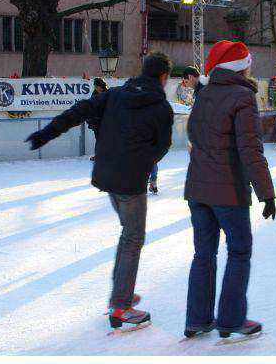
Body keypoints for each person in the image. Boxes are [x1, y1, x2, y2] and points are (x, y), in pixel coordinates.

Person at [25, 52, 174, 331]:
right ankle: (121, 305)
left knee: (128, 235)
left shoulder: (116, 94)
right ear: (164, 77)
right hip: (131, 183)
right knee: (133, 238)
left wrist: (46, 133)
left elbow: (78, 111)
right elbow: (162, 146)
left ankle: (122, 292)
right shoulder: (162, 107)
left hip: (107, 176)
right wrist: (143, 161)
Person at [183, 40, 276, 340]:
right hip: (228, 194)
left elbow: (193, 135)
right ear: (241, 66)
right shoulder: (243, 98)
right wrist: (267, 193)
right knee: (239, 251)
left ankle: (197, 319)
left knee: (203, 255)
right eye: (248, 62)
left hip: (198, 190)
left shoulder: (204, 94)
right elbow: (250, 150)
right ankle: (231, 319)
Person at [87, 77, 108, 161]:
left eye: (96, 86)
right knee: (99, 138)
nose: (96, 88)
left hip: (106, 120)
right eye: (95, 86)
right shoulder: (94, 94)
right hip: (96, 121)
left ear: (100, 86)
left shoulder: (107, 93)